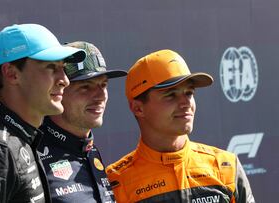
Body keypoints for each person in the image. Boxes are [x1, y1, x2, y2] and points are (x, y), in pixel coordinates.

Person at [0, 24, 86, 203]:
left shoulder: (19, 138)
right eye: (51, 67)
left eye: (63, 68)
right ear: (12, 74)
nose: (65, 80)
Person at [106, 49, 255, 203]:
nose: (186, 103)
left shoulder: (226, 166)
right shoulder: (115, 182)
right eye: (170, 95)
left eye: (189, 93)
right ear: (138, 108)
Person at [37, 41, 127, 202]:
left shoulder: (89, 150)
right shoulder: (32, 155)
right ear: (58, 90)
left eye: (103, 85)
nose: (100, 96)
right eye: (85, 86)